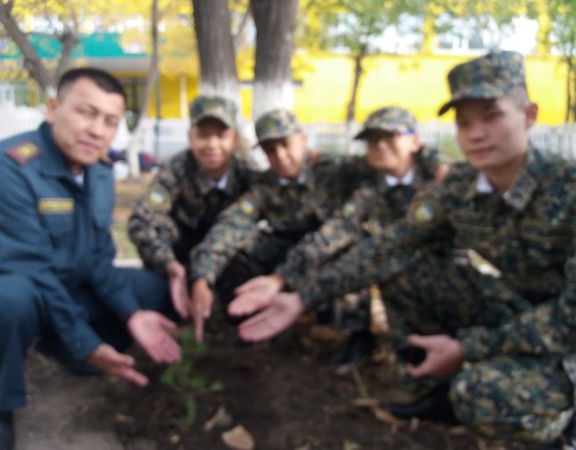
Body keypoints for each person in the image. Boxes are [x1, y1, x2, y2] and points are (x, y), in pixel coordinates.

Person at [237, 51, 576, 449]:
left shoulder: (566, 189)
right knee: (402, 268)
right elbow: (391, 246)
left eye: (491, 116)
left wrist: (468, 347)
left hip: (568, 335)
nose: (476, 133)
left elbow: (570, 317)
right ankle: (436, 387)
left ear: (529, 115)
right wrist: (301, 295)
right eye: (464, 122)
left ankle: (560, 428)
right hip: (521, 311)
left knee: (480, 393)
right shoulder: (461, 186)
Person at [0, 68, 181, 450]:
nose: (97, 130)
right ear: (53, 109)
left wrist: (131, 314)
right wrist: (85, 341)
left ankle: (70, 351)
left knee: (153, 290)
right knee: (10, 299)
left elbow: (99, 255)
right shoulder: (6, 167)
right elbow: (30, 269)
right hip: (15, 291)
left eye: (111, 121)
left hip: (67, 286)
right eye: (86, 113)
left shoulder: (98, 172)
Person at [229, 106, 446, 362]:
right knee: (363, 258)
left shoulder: (443, 182)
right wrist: (281, 278)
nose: (379, 145)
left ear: (415, 141)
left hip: (446, 272)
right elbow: (335, 232)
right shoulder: (367, 191)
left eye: (390, 137)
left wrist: (433, 158)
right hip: (394, 268)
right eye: (372, 140)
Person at [188, 108, 378, 342]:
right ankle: (248, 319)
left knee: (355, 246)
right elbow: (231, 225)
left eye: (285, 144)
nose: (280, 155)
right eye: (270, 149)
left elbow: (386, 165)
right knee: (240, 245)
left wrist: (281, 277)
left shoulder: (336, 170)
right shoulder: (264, 185)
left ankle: (353, 332)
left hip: (331, 248)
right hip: (288, 250)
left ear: (303, 139)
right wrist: (202, 277)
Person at [128, 95, 252, 320]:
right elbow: (141, 220)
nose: (212, 145)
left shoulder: (247, 174)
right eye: (203, 135)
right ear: (190, 138)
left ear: (234, 138)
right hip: (180, 259)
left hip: (225, 259)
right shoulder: (176, 170)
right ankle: (168, 306)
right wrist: (168, 264)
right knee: (160, 228)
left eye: (221, 135)